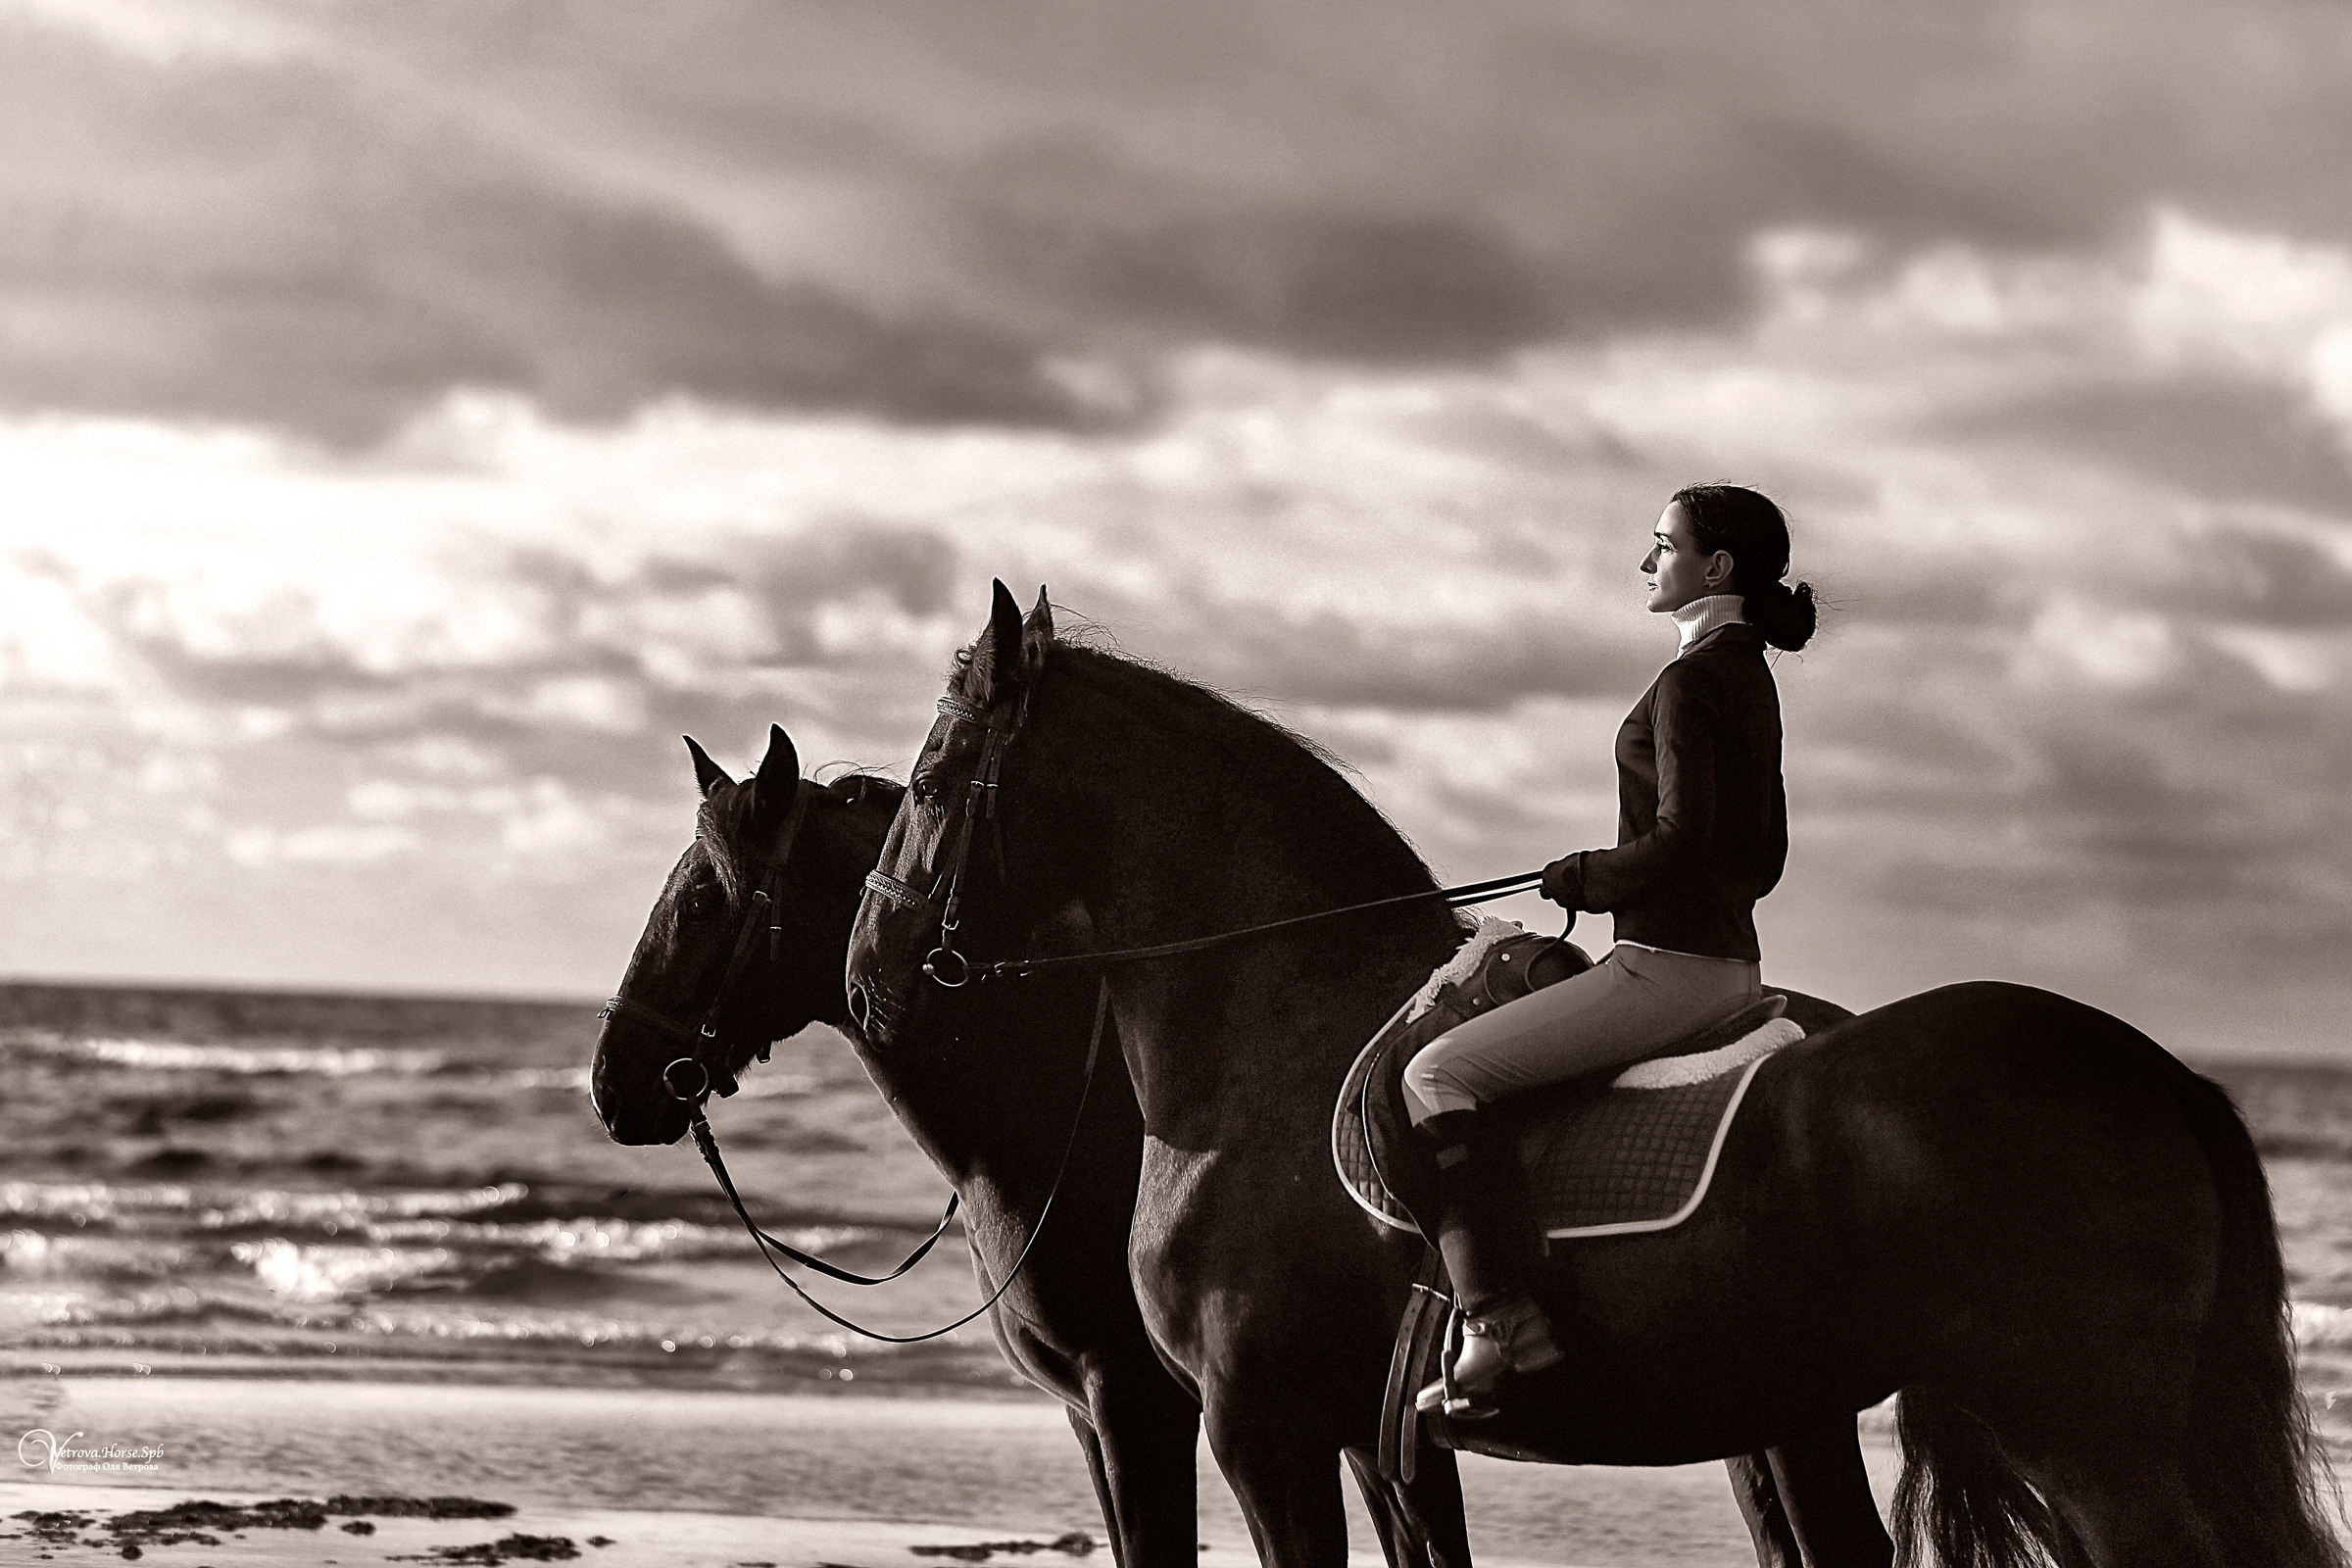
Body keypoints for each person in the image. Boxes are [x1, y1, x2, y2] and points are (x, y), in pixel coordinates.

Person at [1405, 482, 1818, 1416]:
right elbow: (1765, 857)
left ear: (1714, 567)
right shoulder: (1748, 676)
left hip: (1663, 973)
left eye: (1661, 545)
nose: (1646, 563)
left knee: (1435, 1076)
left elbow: (1680, 843)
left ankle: (1497, 1327)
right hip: (1735, 969)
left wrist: (1586, 877)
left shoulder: (1687, 681)